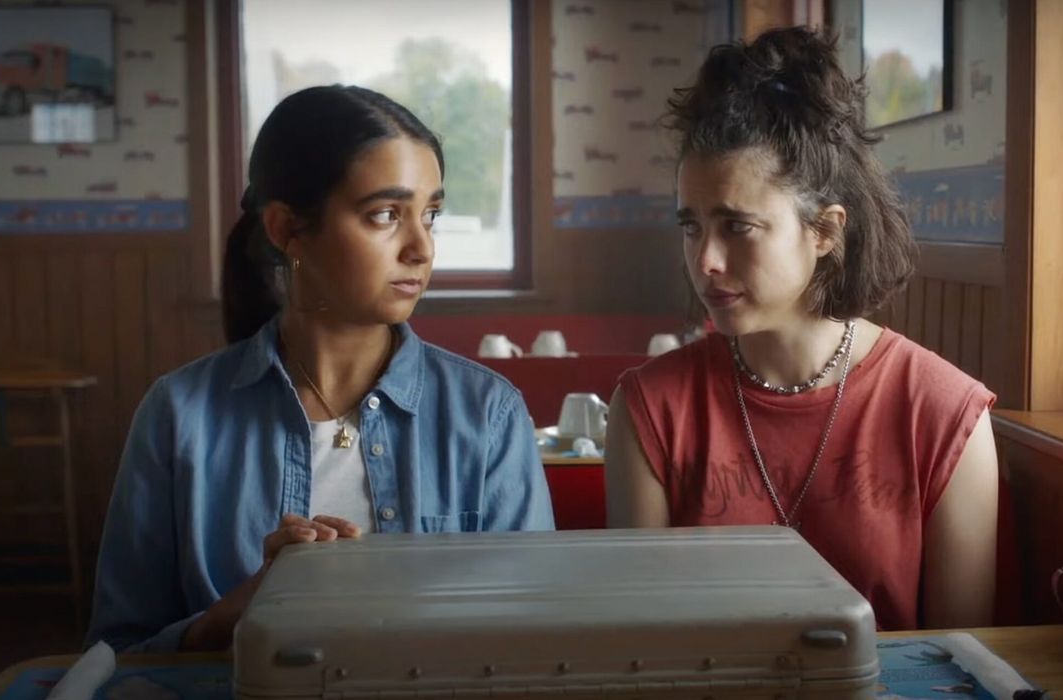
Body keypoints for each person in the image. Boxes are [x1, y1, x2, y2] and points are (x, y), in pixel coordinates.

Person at [87, 85, 554, 652]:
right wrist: (245, 608)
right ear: (287, 229)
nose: (421, 248)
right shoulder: (180, 415)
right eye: (384, 214)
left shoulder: (488, 413)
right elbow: (117, 653)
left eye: (430, 214)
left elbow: (533, 636)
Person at [604, 27, 998, 631]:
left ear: (826, 231)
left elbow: (959, 660)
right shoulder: (651, 408)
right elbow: (639, 645)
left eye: (737, 226)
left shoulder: (944, 414)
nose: (705, 259)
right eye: (691, 227)